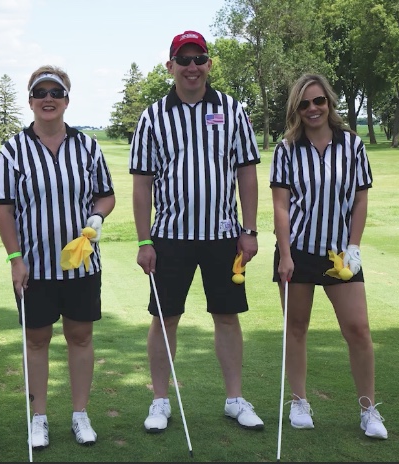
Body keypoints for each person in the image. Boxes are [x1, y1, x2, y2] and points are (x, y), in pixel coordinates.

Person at [130, 30, 265, 433]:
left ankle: (235, 399)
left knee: (227, 316)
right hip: (170, 236)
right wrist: (143, 239)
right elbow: (142, 184)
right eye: (183, 59)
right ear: (170, 66)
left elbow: (246, 172)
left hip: (224, 235)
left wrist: (250, 229)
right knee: (165, 317)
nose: (192, 67)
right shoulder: (153, 116)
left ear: (208, 63)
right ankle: (159, 401)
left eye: (199, 58)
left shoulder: (232, 109)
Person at [0, 65, 116, 449]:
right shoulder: (12, 150)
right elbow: (4, 209)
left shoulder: (87, 146)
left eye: (56, 92)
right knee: (37, 341)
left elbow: (106, 194)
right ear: (30, 100)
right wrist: (15, 258)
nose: (48, 98)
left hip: (80, 262)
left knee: (80, 337)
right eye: (40, 92)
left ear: (66, 100)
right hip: (34, 267)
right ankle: (39, 417)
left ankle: (80, 414)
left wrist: (97, 215)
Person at [269, 73, 388, 439]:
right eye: (304, 104)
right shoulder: (286, 149)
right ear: (296, 109)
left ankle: (369, 409)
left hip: (340, 254)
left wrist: (354, 247)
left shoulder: (351, 144)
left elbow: (360, 198)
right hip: (298, 252)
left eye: (318, 101)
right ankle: (299, 401)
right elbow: (281, 207)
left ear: (329, 103)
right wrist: (285, 255)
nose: (312, 109)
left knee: (358, 329)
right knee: (297, 329)